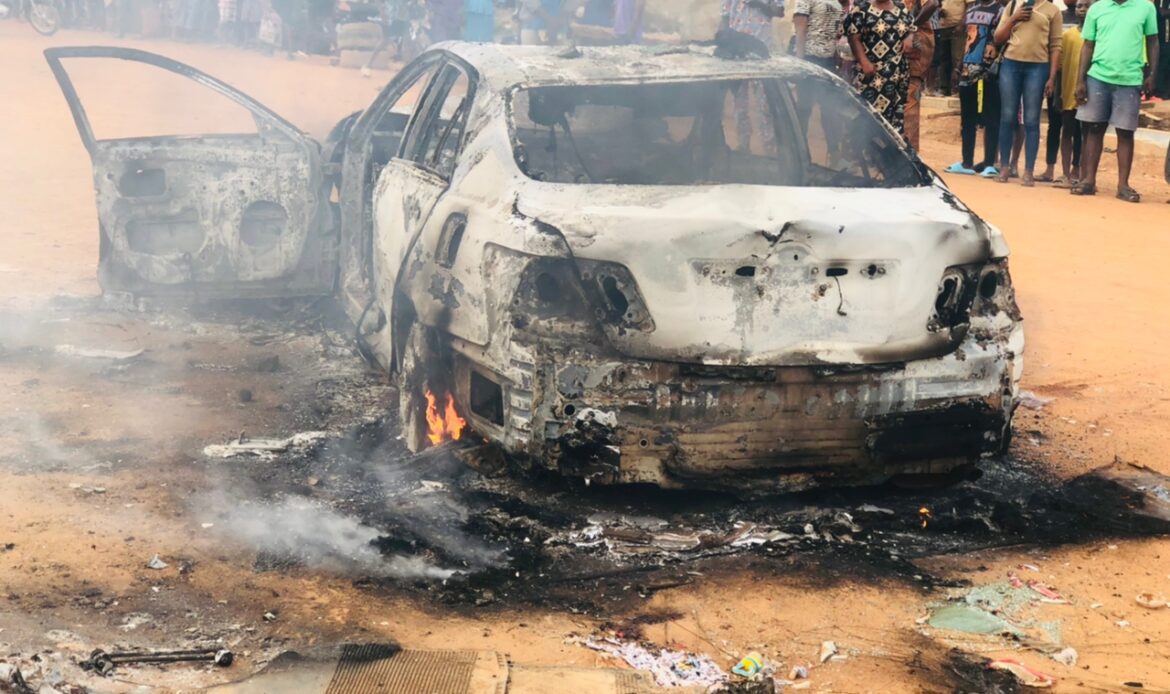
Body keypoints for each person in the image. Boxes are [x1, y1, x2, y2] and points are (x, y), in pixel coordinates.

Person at [1072, 0, 1159, 200]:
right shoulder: (1097, 8)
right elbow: (1087, 45)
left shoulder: (1145, 7)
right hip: (1098, 76)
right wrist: (1080, 80)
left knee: (1126, 133)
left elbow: (1153, 41)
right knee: (1094, 128)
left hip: (1130, 78)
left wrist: (1152, 74)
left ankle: (1123, 186)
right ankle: (1088, 181)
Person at [992, 0, 1063, 185]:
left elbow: (1055, 45)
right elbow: (998, 38)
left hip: (1038, 68)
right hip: (1011, 63)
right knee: (1007, 117)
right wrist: (1014, 18)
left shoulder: (1053, 11)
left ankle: (1029, 170)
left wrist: (1052, 77)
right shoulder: (1015, 4)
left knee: (1032, 119)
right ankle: (1005, 166)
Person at [946, 0, 1005, 174]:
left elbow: (1001, 40)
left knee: (990, 118)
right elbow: (966, 40)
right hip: (967, 70)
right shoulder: (971, 9)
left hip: (989, 72)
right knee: (967, 119)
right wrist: (958, 67)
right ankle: (967, 163)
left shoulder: (1000, 10)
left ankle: (988, 164)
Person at [845, 0, 915, 137]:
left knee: (895, 120)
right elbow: (853, 37)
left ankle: (889, 155)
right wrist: (864, 62)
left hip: (897, 75)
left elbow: (911, 28)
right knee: (867, 117)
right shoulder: (862, 9)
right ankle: (862, 153)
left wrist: (909, 38)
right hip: (872, 75)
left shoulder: (901, 8)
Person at [1039, 0, 1089, 185]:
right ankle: (1053, 169)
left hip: (1083, 91)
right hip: (1063, 87)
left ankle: (1079, 171)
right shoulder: (1058, 17)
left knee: (1080, 132)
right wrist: (1057, 88)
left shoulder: (1095, 32)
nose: (1081, 9)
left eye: (1086, 6)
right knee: (1056, 127)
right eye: (1080, 7)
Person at [904, 0, 939, 149]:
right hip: (907, 44)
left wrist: (911, 27)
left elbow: (932, 4)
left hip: (915, 43)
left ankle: (909, 151)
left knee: (911, 97)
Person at [794, 0, 844, 70]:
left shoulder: (837, 4)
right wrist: (799, 62)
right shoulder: (837, 4)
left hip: (825, 59)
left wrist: (836, 57)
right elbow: (800, 30)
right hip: (811, 56)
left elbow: (833, 34)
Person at [935, 0, 967, 94]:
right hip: (943, 26)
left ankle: (957, 88)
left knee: (957, 57)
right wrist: (939, 10)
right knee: (943, 58)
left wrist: (962, 24)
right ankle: (944, 88)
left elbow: (969, 6)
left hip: (957, 27)